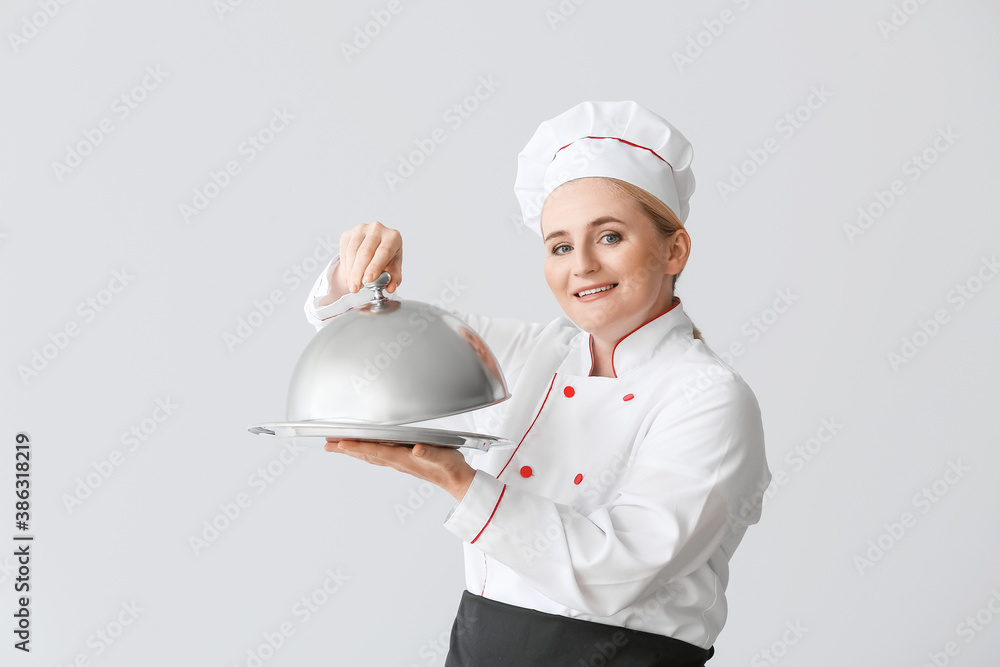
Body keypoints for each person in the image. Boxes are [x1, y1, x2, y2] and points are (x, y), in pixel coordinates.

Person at [303, 101, 771, 666]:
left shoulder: (709, 397)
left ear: (675, 249)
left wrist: (459, 480)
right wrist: (361, 269)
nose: (583, 266)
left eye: (611, 237)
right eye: (561, 246)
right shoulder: (531, 355)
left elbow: (616, 572)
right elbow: (361, 341)